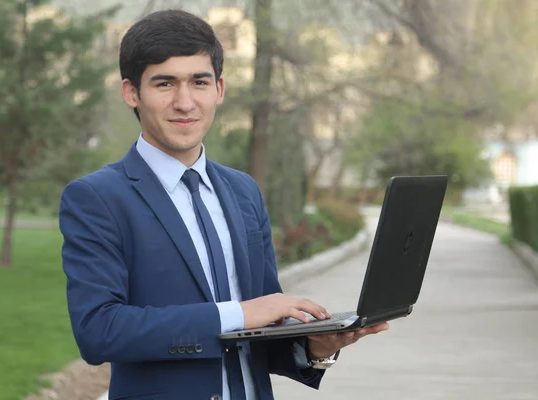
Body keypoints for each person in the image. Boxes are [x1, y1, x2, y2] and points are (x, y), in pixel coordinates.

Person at [59, 9, 389, 400]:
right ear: (132, 92)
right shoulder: (97, 198)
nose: (185, 102)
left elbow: (259, 334)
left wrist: (315, 346)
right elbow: (100, 331)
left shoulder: (243, 191)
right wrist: (237, 314)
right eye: (165, 83)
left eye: (199, 82)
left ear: (219, 89)